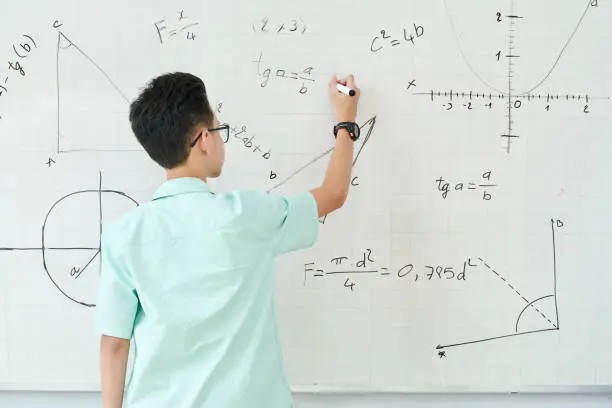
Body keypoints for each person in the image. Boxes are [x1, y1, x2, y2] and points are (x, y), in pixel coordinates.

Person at [95, 71, 361, 408]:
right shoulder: (249, 216)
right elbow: (334, 194)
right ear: (204, 138)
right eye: (220, 131)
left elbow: (114, 343)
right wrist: (346, 121)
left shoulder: (123, 236)